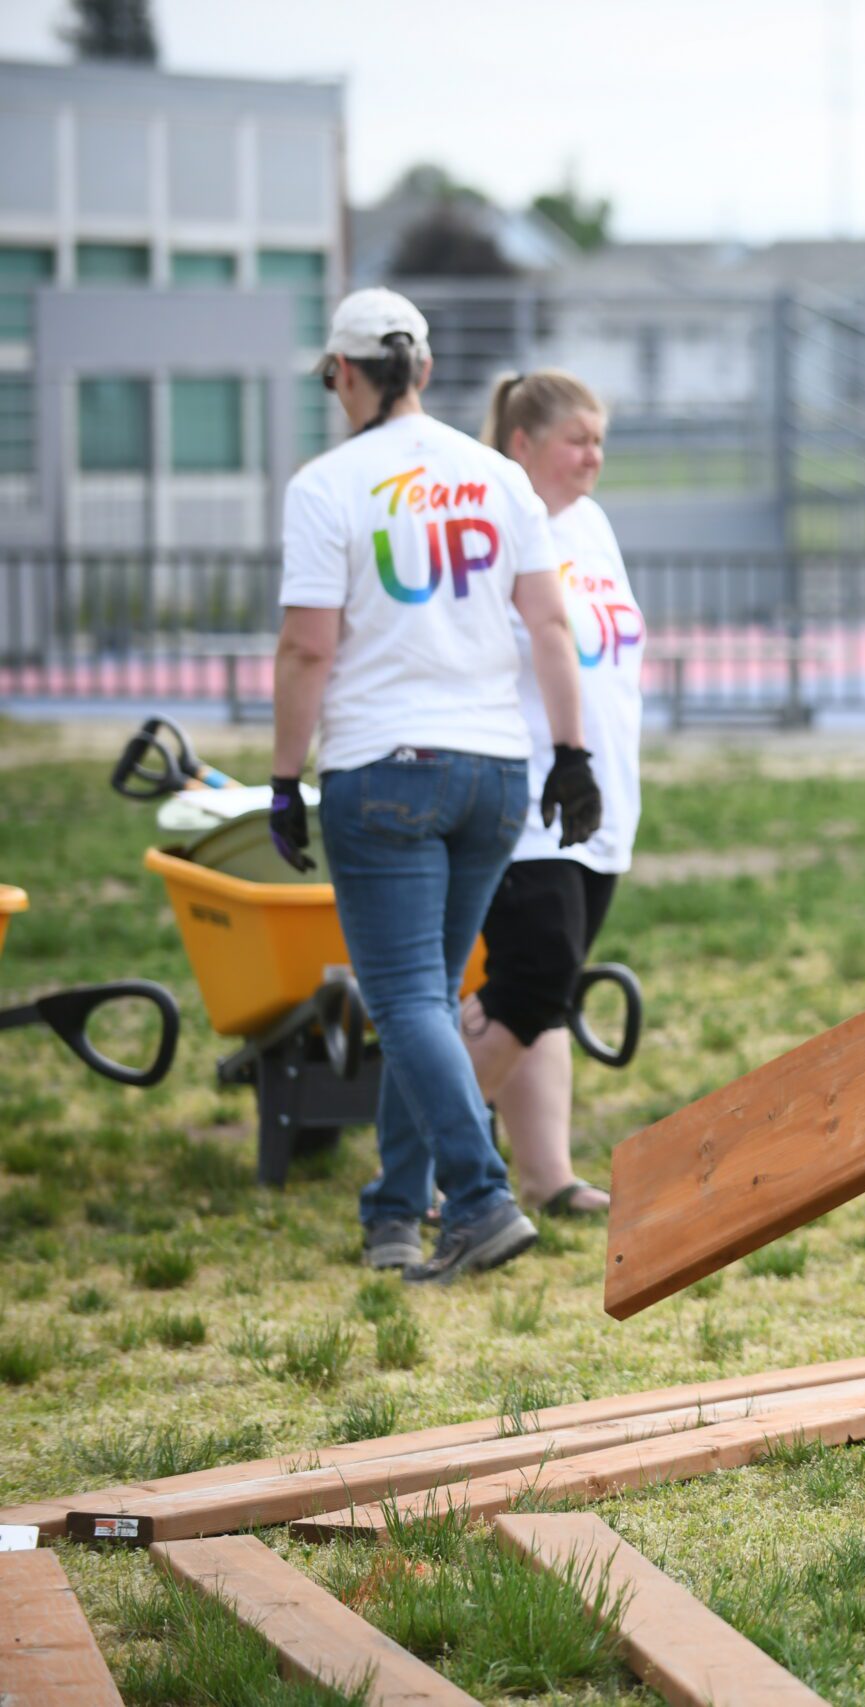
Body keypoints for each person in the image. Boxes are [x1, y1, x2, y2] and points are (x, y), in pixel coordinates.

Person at [268, 289, 603, 1284]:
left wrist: (285, 779)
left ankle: (479, 1197)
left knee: (406, 995)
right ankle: (388, 1212)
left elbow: (306, 648)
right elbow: (549, 625)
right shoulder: (497, 475)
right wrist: (573, 756)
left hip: (386, 769)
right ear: (421, 367)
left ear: (349, 372)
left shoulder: (329, 485)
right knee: (430, 1000)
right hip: (495, 774)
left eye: (331, 376)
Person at [459, 370, 641, 1219]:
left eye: (600, 439)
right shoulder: (501, 526)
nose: (594, 456)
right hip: (530, 792)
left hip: (600, 795)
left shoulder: (592, 525)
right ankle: (429, 1159)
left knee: (548, 993)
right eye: (578, 439)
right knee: (532, 978)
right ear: (522, 444)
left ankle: (545, 1175)